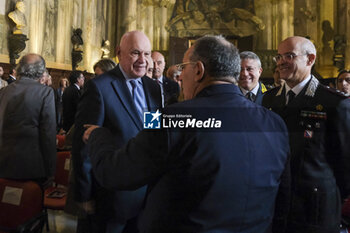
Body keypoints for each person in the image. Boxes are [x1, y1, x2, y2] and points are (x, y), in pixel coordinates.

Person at [84, 35, 290, 233]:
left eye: (183, 68)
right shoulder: (275, 123)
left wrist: (97, 136)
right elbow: (283, 197)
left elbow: (116, 173)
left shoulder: (173, 117)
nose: (180, 76)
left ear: (199, 70)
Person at [72, 30, 162, 233]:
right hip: (109, 198)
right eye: (135, 53)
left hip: (145, 197)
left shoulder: (153, 88)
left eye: (147, 54)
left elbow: (152, 132)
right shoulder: (99, 87)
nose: (142, 60)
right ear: (119, 52)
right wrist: (84, 194)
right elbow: (83, 145)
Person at [263, 36, 350, 233]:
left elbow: (346, 164)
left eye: (289, 56)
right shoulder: (268, 99)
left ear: (310, 59)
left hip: (314, 208)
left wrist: (330, 193)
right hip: (274, 204)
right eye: (279, 57)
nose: (281, 61)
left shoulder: (334, 103)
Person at [0, 53, 56, 187]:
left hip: (4, 162)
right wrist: (50, 169)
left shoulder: (4, 91)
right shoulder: (45, 92)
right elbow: (48, 133)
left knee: (7, 205)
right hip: (32, 165)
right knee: (30, 205)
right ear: (41, 71)